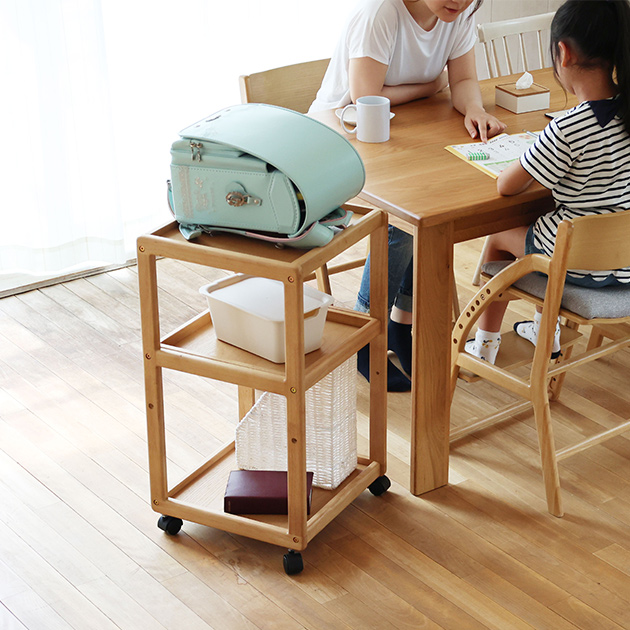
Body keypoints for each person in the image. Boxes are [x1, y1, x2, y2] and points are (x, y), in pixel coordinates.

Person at [310, 0, 506, 391]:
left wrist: (473, 108)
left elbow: (463, 80)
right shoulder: (381, 14)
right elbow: (366, 98)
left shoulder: (458, 14)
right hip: (340, 139)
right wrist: (430, 86)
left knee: (435, 206)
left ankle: (402, 322)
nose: (460, 1)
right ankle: (366, 333)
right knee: (403, 215)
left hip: (407, 131)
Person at [466, 0, 630, 365]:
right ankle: (545, 332)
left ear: (564, 53)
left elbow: (507, 186)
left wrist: (530, 156)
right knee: (550, 220)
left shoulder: (568, 128)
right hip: (624, 261)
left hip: (578, 263)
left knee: (500, 233)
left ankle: (485, 346)